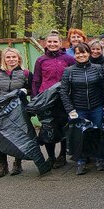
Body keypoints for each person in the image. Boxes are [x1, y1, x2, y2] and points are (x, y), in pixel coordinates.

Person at [60, 43, 104, 175]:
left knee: (98, 133)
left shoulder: (98, 69)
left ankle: (100, 158)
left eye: (84, 52)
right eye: (78, 53)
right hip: (79, 109)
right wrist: (70, 110)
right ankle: (81, 161)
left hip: (96, 107)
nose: (81, 55)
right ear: (74, 55)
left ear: (89, 53)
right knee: (79, 135)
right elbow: (64, 92)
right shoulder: (68, 71)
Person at [33, 31, 75, 168]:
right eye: (49, 42)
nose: (52, 44)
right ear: (45, 43)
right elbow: (36, 80)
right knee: (47, 128)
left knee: (63, 127)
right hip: (45, 99)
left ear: (61, 43)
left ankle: (62, 156)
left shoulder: (68, 59)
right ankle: (50, 157)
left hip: (62, 99)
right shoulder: (41, 60)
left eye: (55, 42)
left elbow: (73, 78)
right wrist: (35, 100)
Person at [0, 48, 33, 178]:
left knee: (18, 137)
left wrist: (26, 91)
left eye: (14, 57)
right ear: (4, 59)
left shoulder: (26, 73)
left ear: (18, 58)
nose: (11, 59)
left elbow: (32, 90)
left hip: (19, 110)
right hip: (1, 110)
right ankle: (3, 165)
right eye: (8, 57)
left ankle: (17, 164)